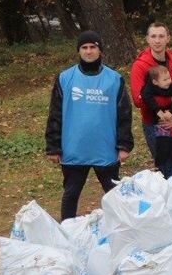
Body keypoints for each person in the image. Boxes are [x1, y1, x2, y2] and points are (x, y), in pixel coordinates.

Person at [45, 31, 133, 220]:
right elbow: (55, 113)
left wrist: (124, 145)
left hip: (105, 148)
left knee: (114, 195)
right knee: (71, 194)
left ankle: (123, 230)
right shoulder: (65, 78)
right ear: (79, 51)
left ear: (100, 50)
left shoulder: (114, 79)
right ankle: (67, 231)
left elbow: (124, 114)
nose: (88, 51)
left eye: (93, 47)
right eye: (84, 48)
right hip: (74, 148)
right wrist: (53, 146)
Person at [130, 22, 172, 162]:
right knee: (163, 165)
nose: (157, 40)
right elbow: (138, 99)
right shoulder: (140, 66)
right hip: (154, 122)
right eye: (153, 36)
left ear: (168, 38)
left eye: (161, 36)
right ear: (147, 39)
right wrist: (170, 101)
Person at [140, 65, 172, 178]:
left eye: (169, 78)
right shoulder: (149, 88)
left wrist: (171, 111)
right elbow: (145, 97)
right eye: (165, 80)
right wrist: (157, 110)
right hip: (159, 122)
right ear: (155, 82)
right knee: (162, 145)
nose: (169, 81)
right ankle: (163, 172)